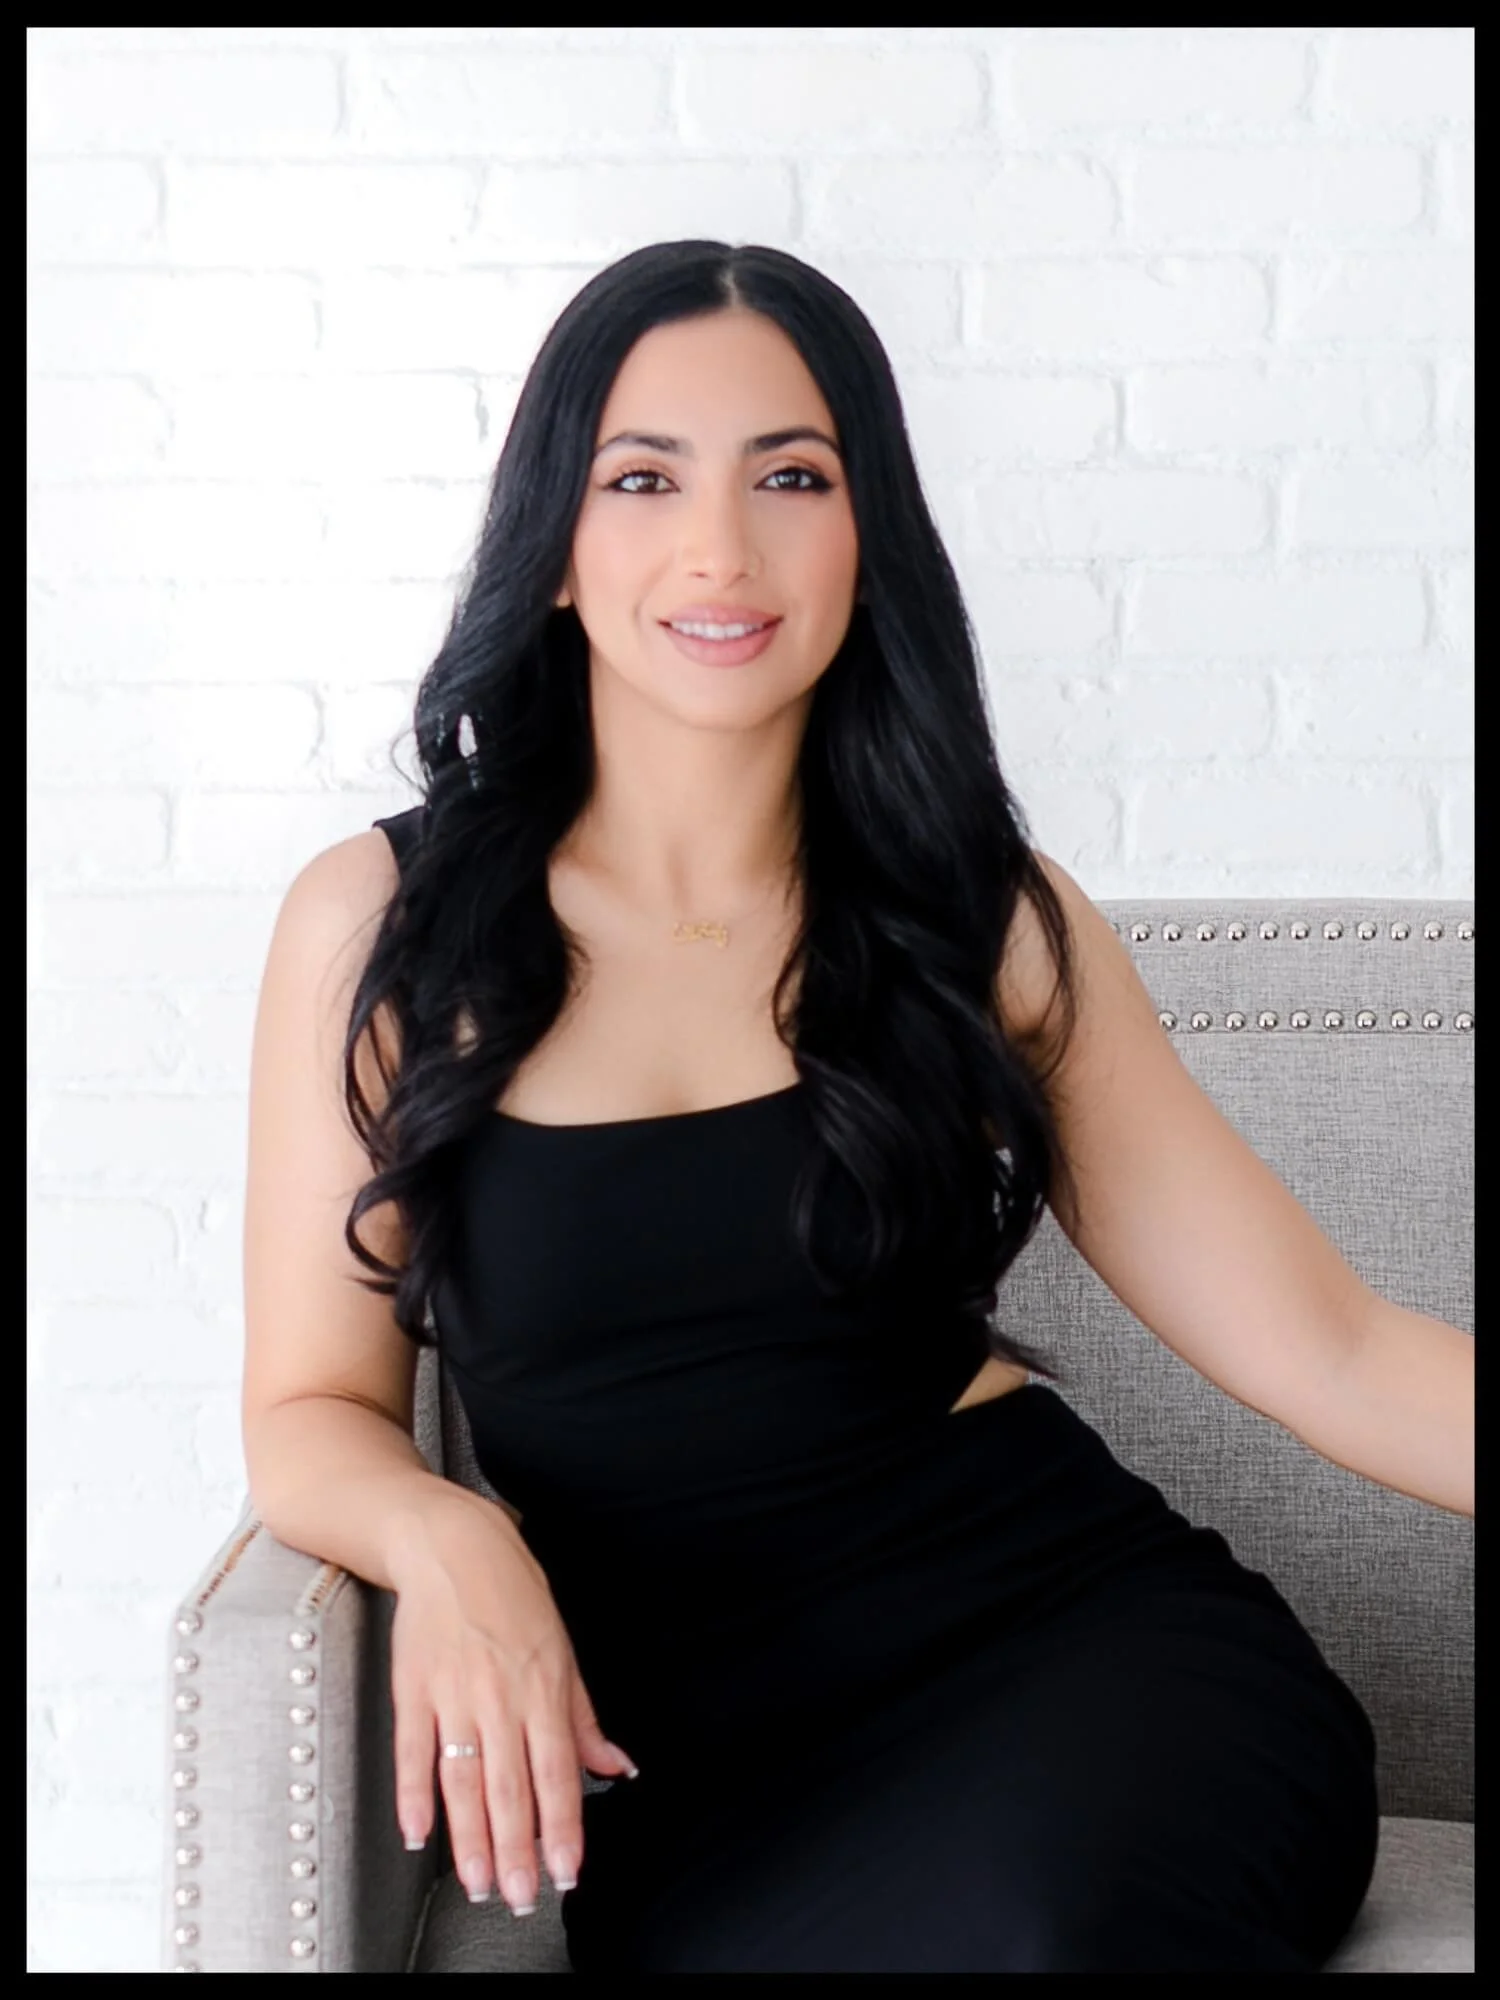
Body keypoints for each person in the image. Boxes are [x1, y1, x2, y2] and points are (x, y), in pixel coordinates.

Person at [240, 240, 1472, 1973]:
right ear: (559, 551)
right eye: (643, 477)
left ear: (866, 537)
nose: (721, 549)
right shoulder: (378, 931)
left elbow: (1333, 1347)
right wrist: (440, 1531)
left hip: (1090, 1668)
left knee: (1047, 1942)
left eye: (793, 478)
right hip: (705, 1788)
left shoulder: (982, 921)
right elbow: (306, 1407)